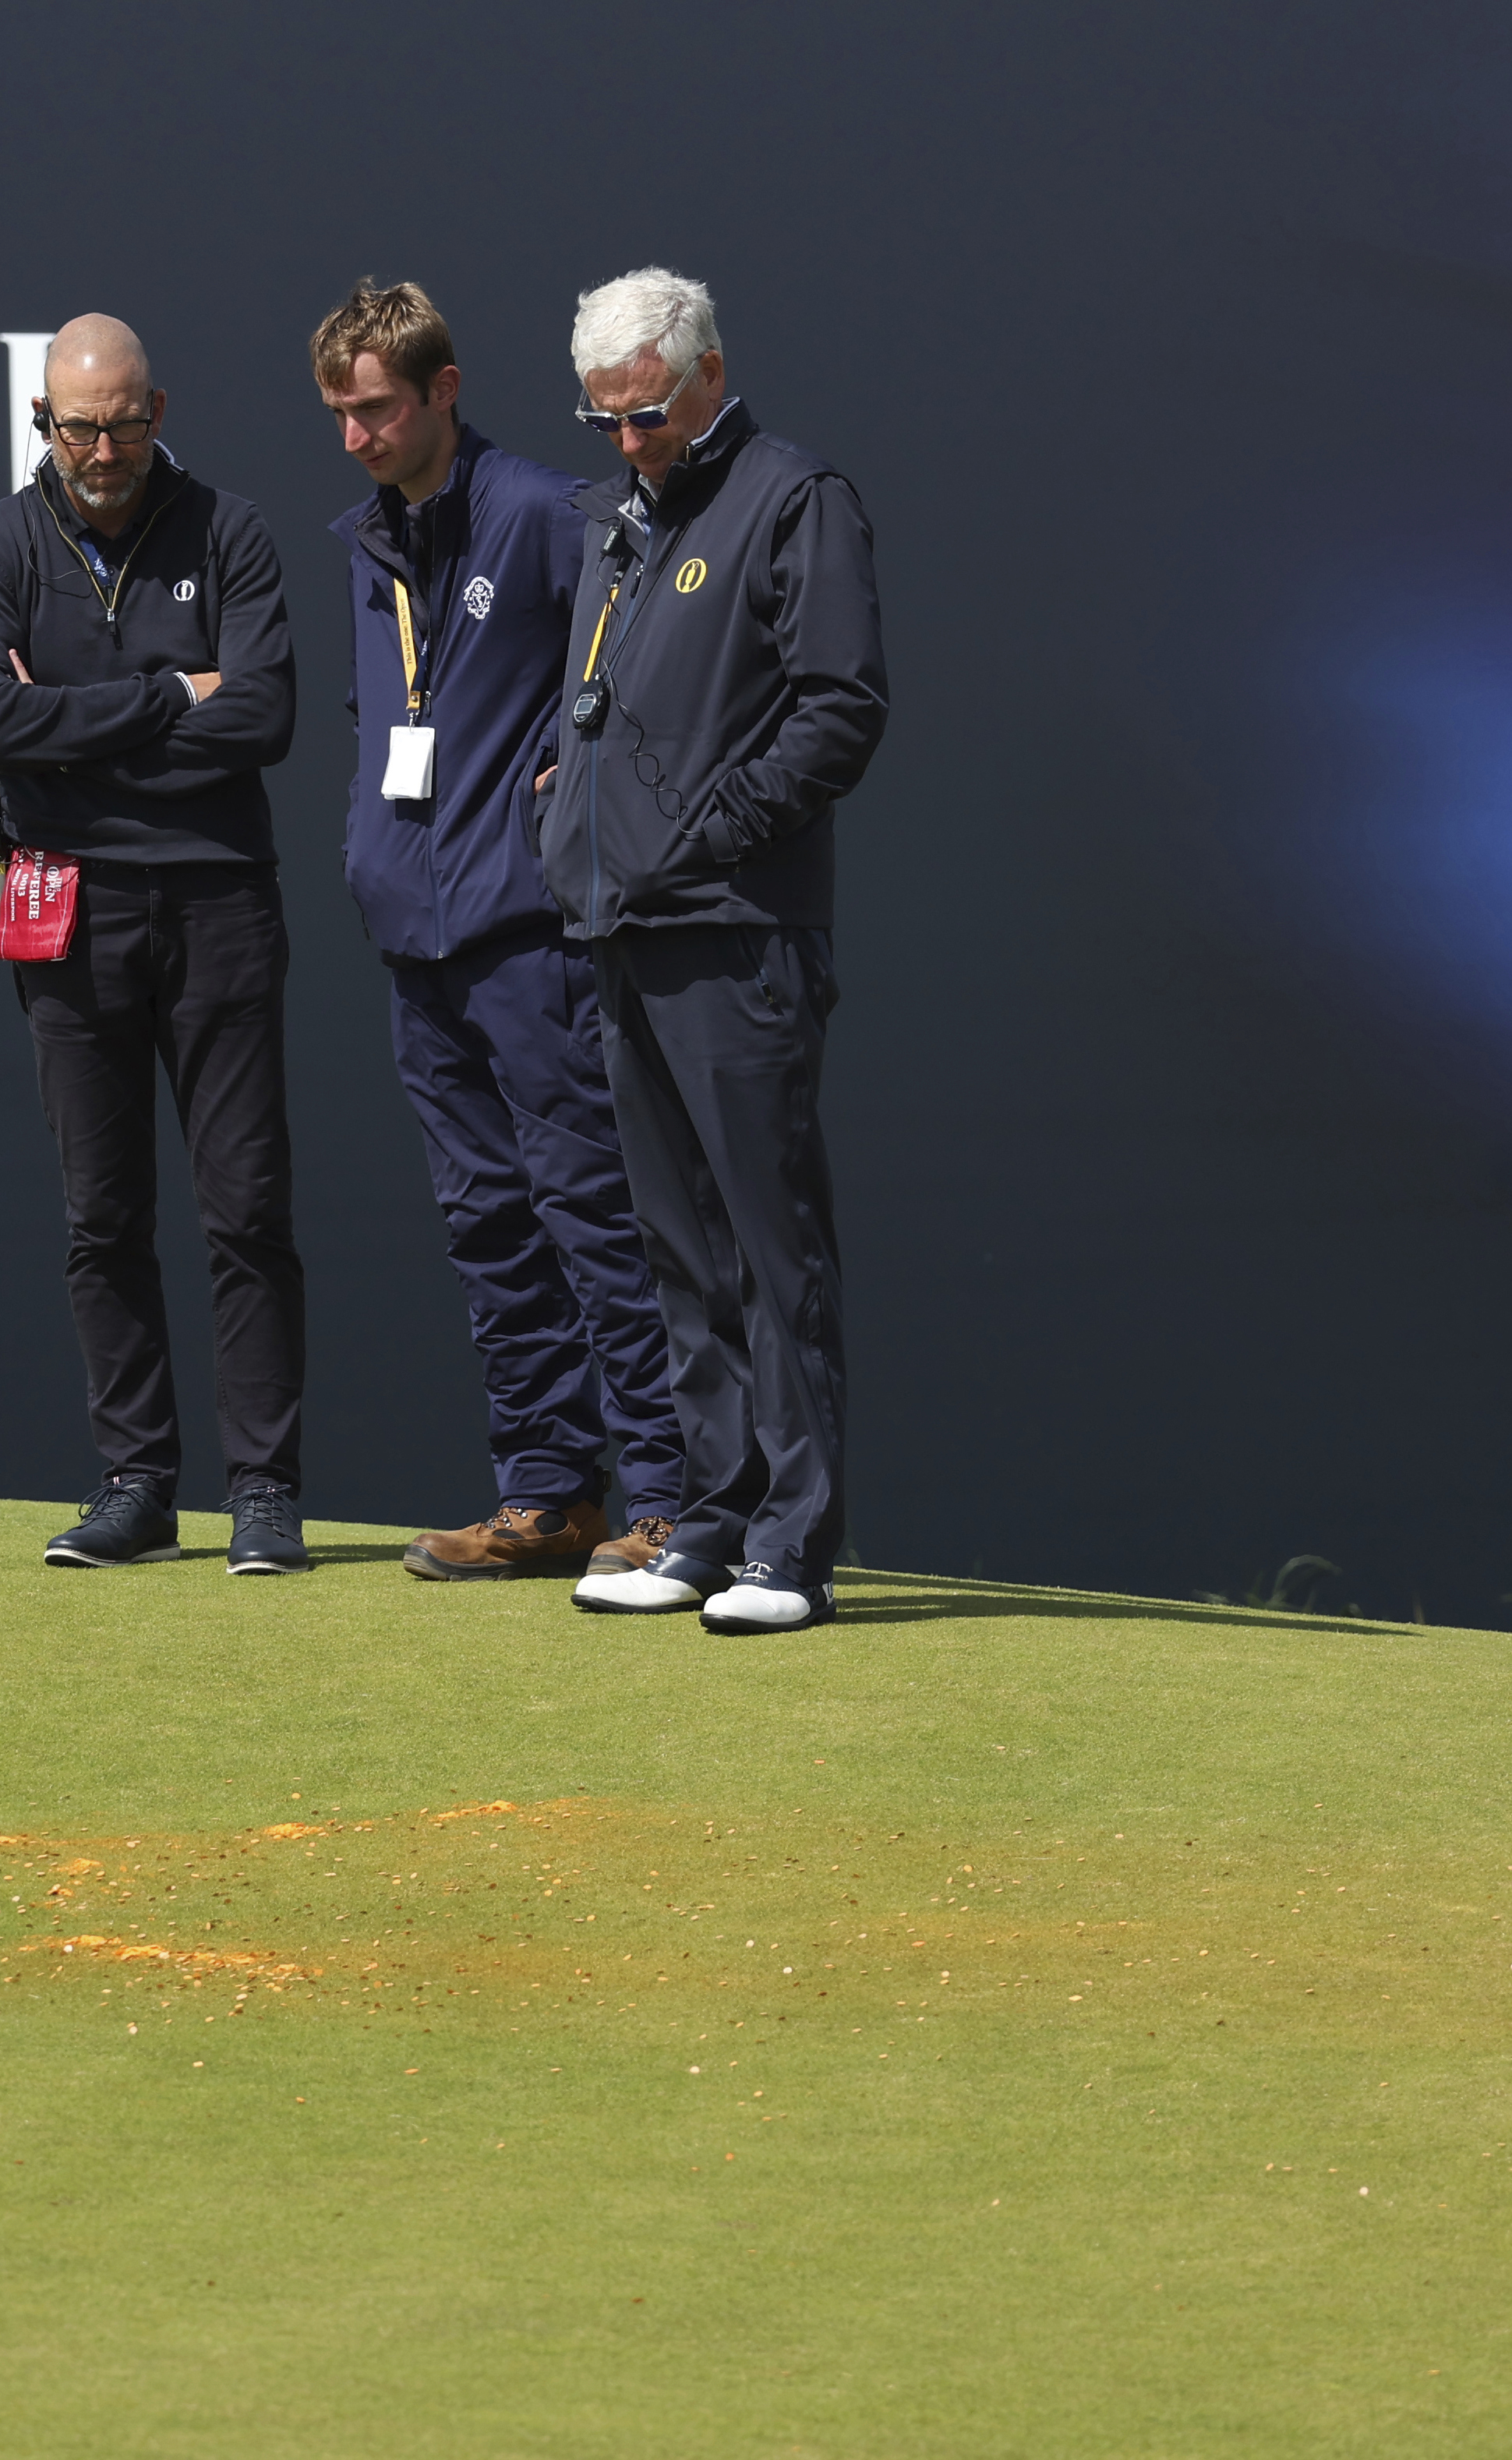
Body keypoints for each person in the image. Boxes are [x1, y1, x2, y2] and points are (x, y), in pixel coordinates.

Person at [310, 281, 687, 1591]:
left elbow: (650, 628)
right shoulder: (366, 538)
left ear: (443, 390)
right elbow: (386, 720)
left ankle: (662, 1498)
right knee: (484, 1224)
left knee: (588, 1210)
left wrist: (567, 763)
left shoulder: (536, 508)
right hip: (414, 935)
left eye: (376, 410)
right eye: (338, 414)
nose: (355, 435)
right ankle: (544, 1494)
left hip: (526, 931)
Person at [540, 268, 888, 1633]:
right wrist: (563, 818)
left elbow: (838, 708)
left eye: (646, 413)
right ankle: (705, 1515)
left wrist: (699, 831)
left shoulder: (792, 498)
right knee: (676, 1251)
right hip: (619, 922)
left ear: (707, 373)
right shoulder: (621, 516)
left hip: (734, 931)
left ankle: (789, 1544)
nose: (627, 439)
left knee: (765, 1243)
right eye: (604, 419)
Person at [0, 314, 308, 1574]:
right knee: (101, 1217)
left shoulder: (233, 531)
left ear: (161, 409)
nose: (104, 450)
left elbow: (263, 715)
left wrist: (71, 726)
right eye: (78, 427)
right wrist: (170, 695)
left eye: (124, 423)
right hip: (64, 908)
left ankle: (262, 1492)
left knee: (245, 1213)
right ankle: (135, 1485)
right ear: (42, 424)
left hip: (216, 902)